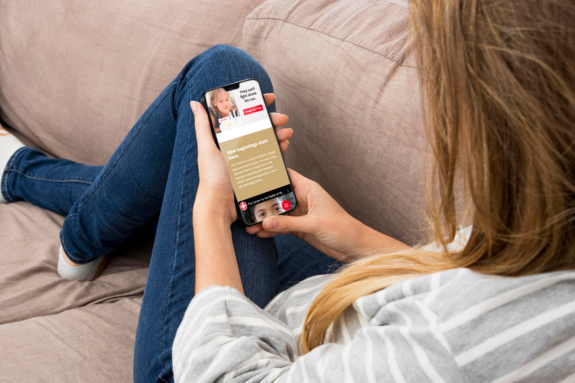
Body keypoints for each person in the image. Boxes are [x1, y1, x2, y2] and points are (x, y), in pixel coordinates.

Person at [1, 1, 574, 383]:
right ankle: (48, 194)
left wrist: (206, 212)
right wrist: (353, 236)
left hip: (211, 360)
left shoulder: (460, 341)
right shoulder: (549, 245)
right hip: (332, 305)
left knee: (217, 79)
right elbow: (474, 280)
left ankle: (67, 220)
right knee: (219, 145)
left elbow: (229, 375)